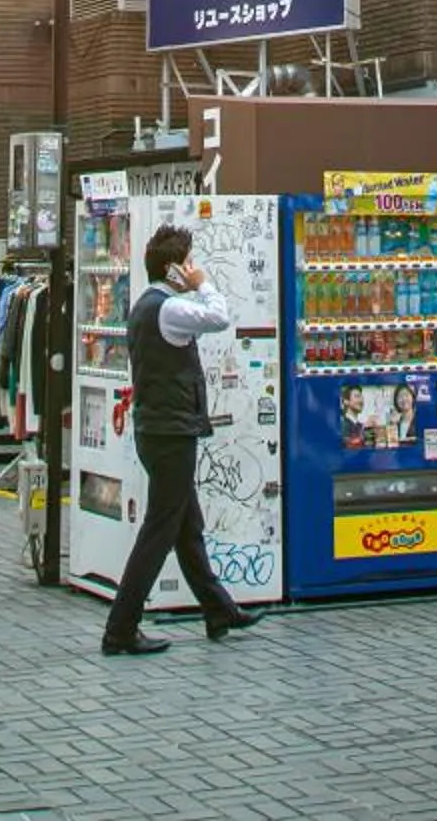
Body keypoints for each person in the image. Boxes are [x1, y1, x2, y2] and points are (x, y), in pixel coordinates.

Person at [101, 223, 263, 657]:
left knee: (187, 526)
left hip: (157, 429)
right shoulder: (169, 308)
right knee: (160, 528)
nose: (193, 268)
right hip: (170, 432)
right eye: (187, 262)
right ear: (174, 269)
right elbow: (219, 315)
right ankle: (120, 628)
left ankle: (218, 609)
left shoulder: (146, 305)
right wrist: (203, 283)